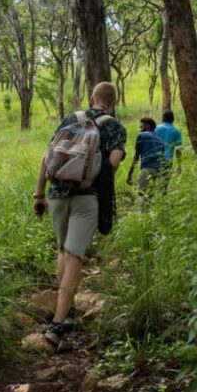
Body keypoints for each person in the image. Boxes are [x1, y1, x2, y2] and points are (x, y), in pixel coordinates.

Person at [32, 82, 126, 349]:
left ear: (92, 98)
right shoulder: (115, 127)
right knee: (75, 256)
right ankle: (58, 323)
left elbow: (46, 157)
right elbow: (113, 163)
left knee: (63, 250)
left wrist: (38, 195)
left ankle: (68, 310)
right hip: (86, 198)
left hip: (56, 194)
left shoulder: (72, 119)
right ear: (113, 102)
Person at [126, 117, 166, 203]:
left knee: (142, 194)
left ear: (147, 126)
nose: (140, 129)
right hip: (158, 171)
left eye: (141, 126)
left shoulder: (142, 136)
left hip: (146, 169)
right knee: (152, 196)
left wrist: (129, 174)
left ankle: (144, 214)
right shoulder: (160, 140)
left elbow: (136, 157)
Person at [154, 109, 183, 192]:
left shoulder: (156, 128)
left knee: (152, 183)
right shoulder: (177, 132)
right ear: (173, 119)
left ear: (163, 118)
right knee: (164, 185)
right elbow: (178, 150)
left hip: (154, 158)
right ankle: (162, 199)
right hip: (167, 161)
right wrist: (179, 164)